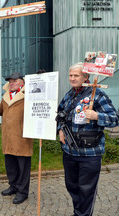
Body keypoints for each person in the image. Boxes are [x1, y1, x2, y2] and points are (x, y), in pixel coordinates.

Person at [57, 62, 119, 216]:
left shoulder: (97, 94)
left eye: (76, 75)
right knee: (72, 186)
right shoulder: (69, 94)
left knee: (86, 189)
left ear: (86, 77)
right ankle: (78, 212)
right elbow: (60, 115)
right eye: (70, 75)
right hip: (69, 151)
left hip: (90, 153)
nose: (72, 78)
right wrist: (60, 129)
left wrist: (97, 115)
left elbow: (115, 119)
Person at [0, 72, 33, 204]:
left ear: (22, 83)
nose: (12, 83)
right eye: (10, 81)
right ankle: (13, 186)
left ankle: (23, 192)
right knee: (10, 165)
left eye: (15, 81)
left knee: (23, 167)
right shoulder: (6, 96)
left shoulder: (28, 95)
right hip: (8, 136)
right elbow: (1, 111)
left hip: (22, 137)